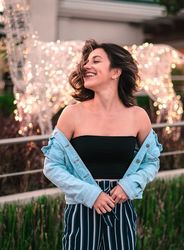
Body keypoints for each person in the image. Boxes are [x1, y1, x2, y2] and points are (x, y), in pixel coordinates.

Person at [41, 39, 163, 250]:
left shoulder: (138, 116)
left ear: (116, 72)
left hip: (121, 208)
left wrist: (129, 185)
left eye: (95, 61)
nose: (86, 66)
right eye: (86, 62)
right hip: (81, 209)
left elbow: (152, 161)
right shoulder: (72, 114)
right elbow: (51, 166)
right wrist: (91, 194)